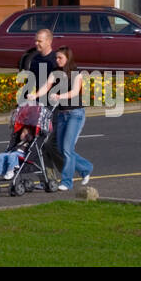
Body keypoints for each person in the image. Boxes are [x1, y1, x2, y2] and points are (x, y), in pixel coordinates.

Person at [49, 46, 93, 192]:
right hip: (61, 114)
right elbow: (46, 86)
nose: (57, 60)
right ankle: (86, 168)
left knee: (67, 149)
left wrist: (59, 96)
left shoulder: (77, 74)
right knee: (61, 149)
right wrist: (34, 95)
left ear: (68, 58)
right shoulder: (55, 72)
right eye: (56, 57)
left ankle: (67, 182)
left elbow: (74, 92)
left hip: (75, 114)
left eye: (60, 57)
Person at [23, 28, 60, 103]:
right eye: (36, 41)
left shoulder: (56, 60)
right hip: (36, 100)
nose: (36, 43)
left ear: (49, 42)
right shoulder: (35, 58)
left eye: (39, 41)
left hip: (51, 103)